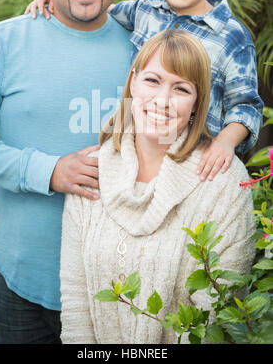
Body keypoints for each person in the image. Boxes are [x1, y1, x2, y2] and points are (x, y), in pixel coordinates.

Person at [0, 0, 134, 344]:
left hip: (117, 285)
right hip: (19, 275)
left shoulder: (147, 51)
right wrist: (49, 171)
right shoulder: (1, 44)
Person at [26, 0, 263, 183]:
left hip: (194, 166)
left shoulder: (232, 36)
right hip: (136, 158)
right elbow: (96, 7)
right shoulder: (143, 10)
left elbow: (246, 105)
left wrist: (225, 142)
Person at [60, 29, 255, 344]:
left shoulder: (225, 181)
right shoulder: (93, 170)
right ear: (133, 82)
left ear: (197, 103)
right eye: (152, 81)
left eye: (181, 88)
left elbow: (217, 315)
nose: (162, 100)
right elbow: (75, 301)